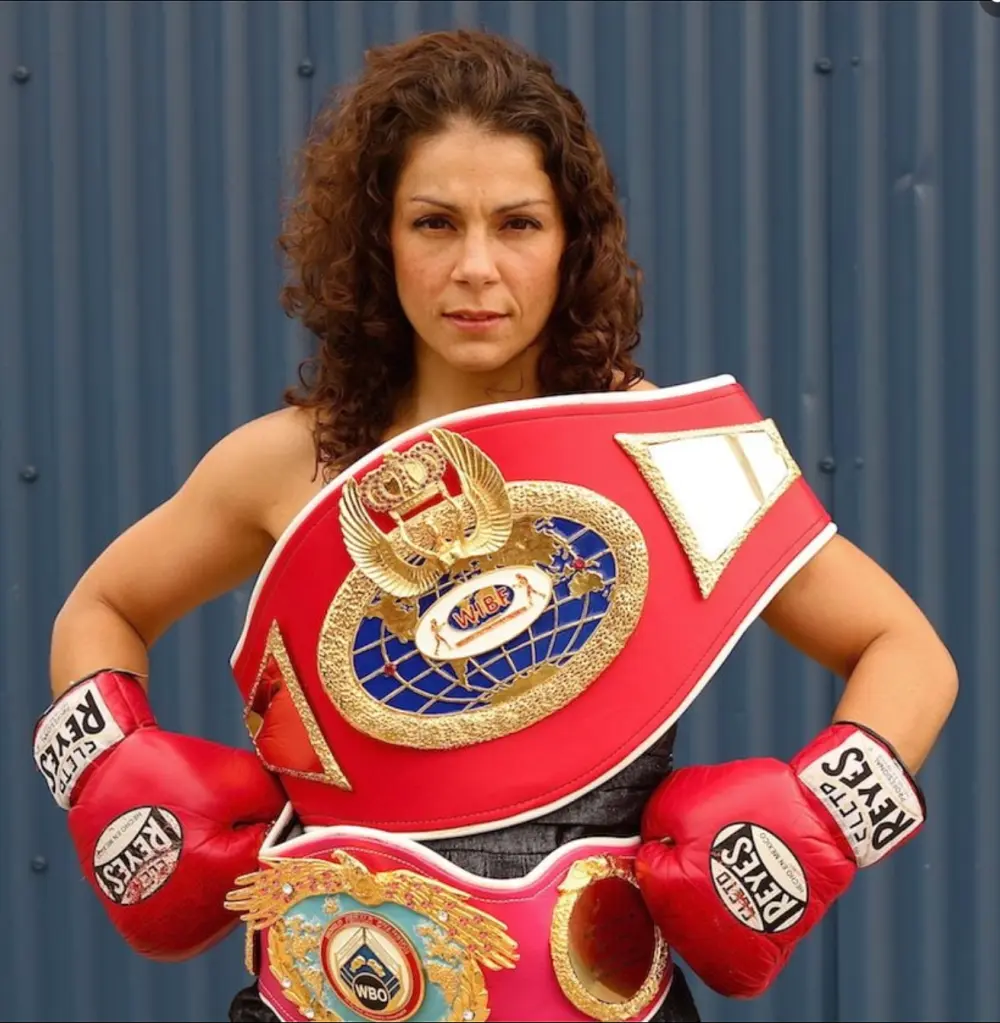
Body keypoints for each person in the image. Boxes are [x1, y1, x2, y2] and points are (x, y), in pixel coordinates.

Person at [31, 27, 957, 1023]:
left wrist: (816, 818)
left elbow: (906, 650)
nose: (475, 267)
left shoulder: (664, 456)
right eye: (435, 223)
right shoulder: (286, 462)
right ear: (378, 240)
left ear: (571, 242)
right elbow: (104, 606)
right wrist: (117, 774)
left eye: (517, 224)